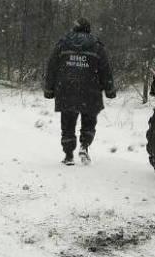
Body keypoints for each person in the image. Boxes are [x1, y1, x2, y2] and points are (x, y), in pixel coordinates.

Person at [44, 17, 115, 165]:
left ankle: (69, 155)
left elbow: (52, 66)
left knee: (68, 123)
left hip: (66, 89)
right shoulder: (96, 45)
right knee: (89, 121)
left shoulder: (63, 43)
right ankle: (84, 146)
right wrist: (109, 89)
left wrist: (49, 88)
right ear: (88, 29)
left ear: (74, 28)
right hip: (90, 90)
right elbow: (105, 69)